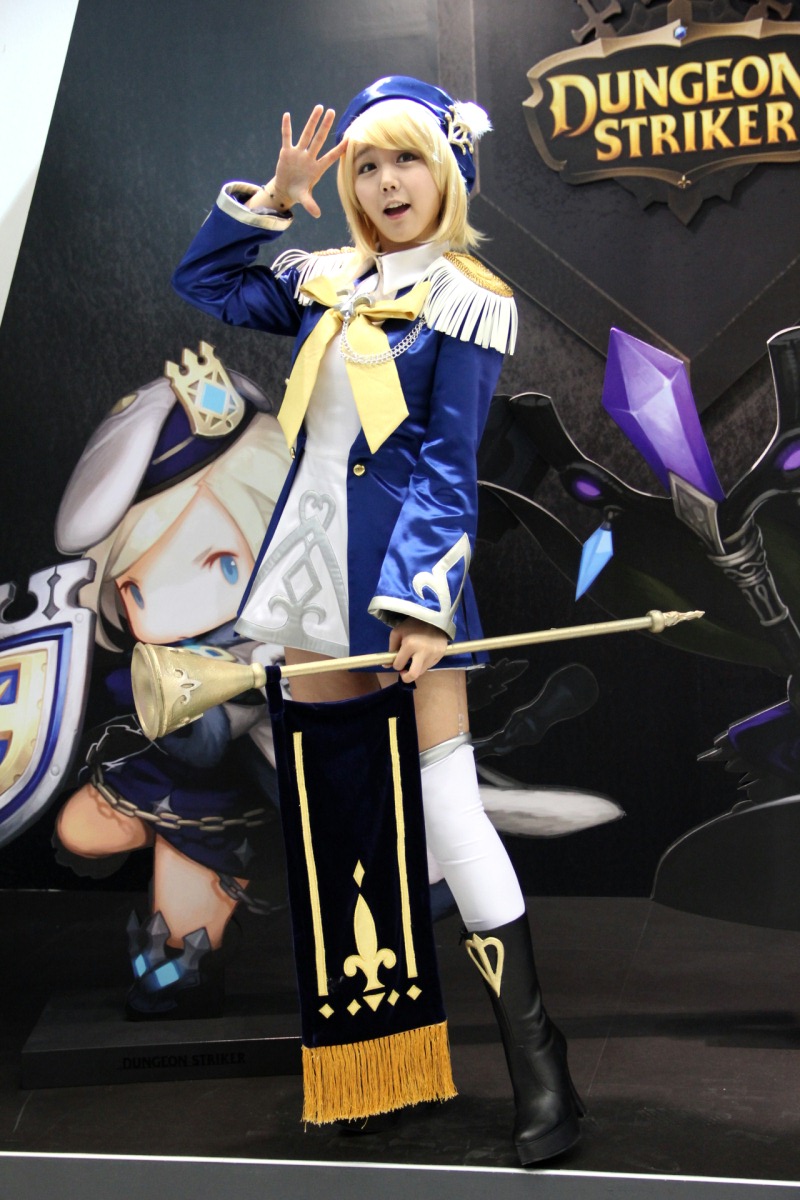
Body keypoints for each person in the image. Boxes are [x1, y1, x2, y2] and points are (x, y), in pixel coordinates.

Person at [172, 76, 582, 1164]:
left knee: (449, 813)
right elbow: (205, 279)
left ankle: (541, 1066)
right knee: (341, 823)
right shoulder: (323, 278)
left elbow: (448, 468)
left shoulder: (465, 300)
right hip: (308, 577)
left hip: (402, 587)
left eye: (405, 160)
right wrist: (273, 200)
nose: (386, 182)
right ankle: (377, 1066)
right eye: (366, 165)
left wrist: (422, 607)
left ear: (446, 172)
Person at [54, 350, 291, 1017]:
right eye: (134, 586)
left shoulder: (267, 649)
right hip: (159, 766)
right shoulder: (156, 649)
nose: (162, 605)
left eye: (221, 562)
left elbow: (208, 738)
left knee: (179, 927)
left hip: (224, 796)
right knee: (79, 826)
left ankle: (179, 967)